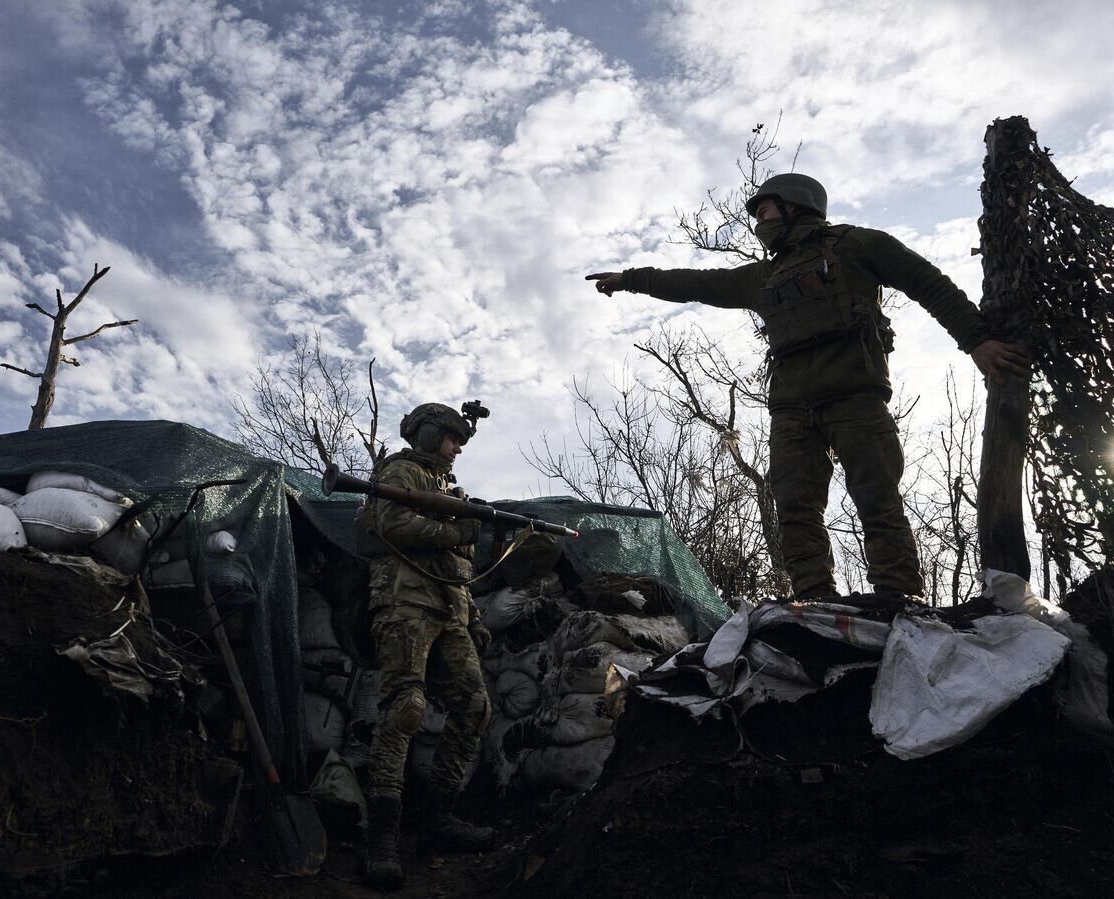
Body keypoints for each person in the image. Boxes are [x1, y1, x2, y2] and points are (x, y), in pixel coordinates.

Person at [587, 173, 1030, 601]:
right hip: (791, 412)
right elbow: (694, 283)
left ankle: (898, 596)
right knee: (795, 509)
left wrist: (976, 341)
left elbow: (929, 284)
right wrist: (631, 280)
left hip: (856, 399)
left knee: (877, 499)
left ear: (795, 205)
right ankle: (814, 600)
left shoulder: (857, 245)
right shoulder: (763, 277)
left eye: (765, 210)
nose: (760, 222)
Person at [360, 402, 494, 889]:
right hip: (405, 603)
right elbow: (393, 525)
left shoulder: (446, 489)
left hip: (449, 610)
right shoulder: (401, 472)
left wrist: (472, 614)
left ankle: (437, 820)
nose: (457, 447)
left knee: (476, 707)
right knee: (405, 709)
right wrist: (453, 531)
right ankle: (383, 838)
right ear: (431, 433)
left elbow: (456, 563)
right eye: (452, 438)